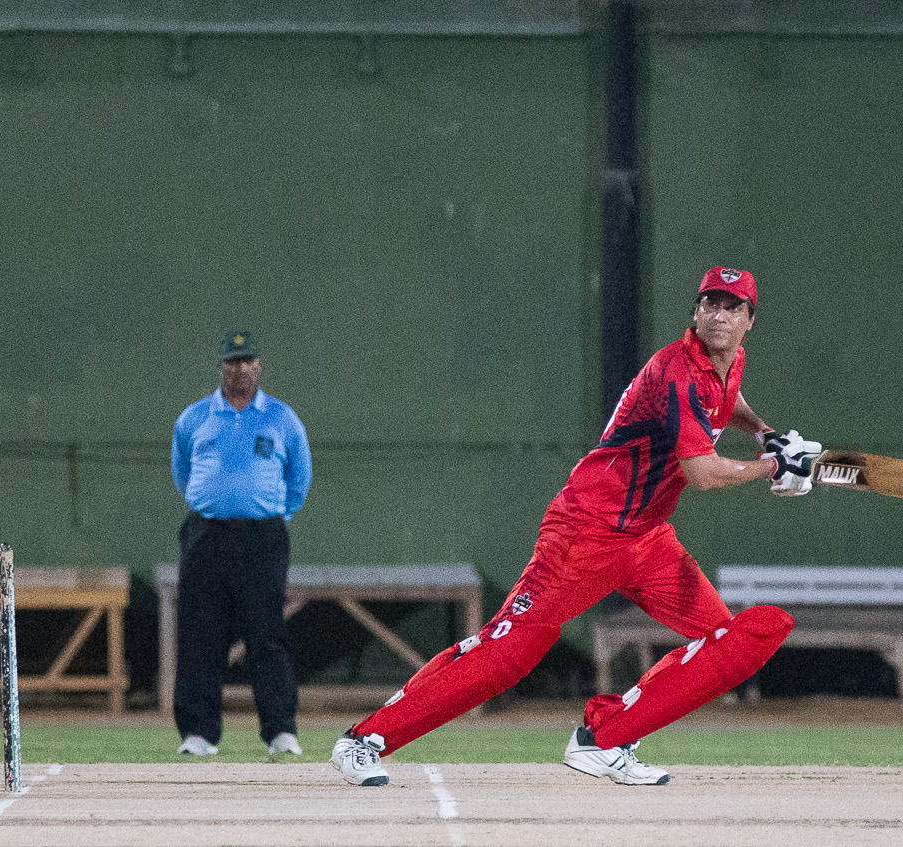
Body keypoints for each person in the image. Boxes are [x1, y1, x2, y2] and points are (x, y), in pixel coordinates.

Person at [331, 267, 821, 787]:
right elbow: (701, 473)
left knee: (724, 644)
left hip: (647, 536)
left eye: (732, 306)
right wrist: (773, 467)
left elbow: (726, 400)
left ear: (749, 320)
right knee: (509, 651)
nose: (720, 315)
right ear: (695, 312)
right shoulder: (677, 371)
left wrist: (764, 432)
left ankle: (604, 739)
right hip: (588, 528)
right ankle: (364, 740)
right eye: (711, 304)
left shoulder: (730, 361)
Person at [170, 331, 313, 757]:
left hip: (262, 538)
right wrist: (211, 503)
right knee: (201, 633)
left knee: (266, 633)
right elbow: (182, 471)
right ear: (221, 367)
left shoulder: (281, 418)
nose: (240, 369)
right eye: (232, 361)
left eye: (247, 360)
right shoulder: (195, 417)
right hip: (207, 535)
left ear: (258, 365)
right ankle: (198, 733)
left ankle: (280, 731)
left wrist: (275, 515)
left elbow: (299, 477)